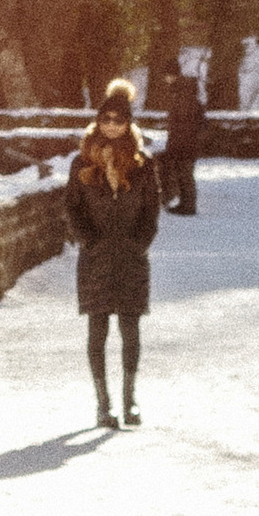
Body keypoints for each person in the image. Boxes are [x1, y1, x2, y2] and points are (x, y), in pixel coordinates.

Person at [66, 81, 163, 429]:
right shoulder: (82, 161)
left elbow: (152, 210)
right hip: (95, 257)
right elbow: (72, 208)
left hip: (131, 257)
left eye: (118, 120)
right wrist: (88, 240)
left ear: (128, 123)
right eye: (106, 119)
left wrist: (139, 243)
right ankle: (102, 403)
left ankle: (129, 399)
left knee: (131, 329)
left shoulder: (142, 163)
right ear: (97, 121)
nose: (111, 125)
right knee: (97, 331)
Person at [160, 61, 206, 216]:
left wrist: (176, 143)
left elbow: (184, 122)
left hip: (185, 143)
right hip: (186, 141)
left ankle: (188, 206)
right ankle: (185, 204)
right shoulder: (183, 92)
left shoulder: (182, 94)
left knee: (184, 173)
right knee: (183, 173)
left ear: (170, 75)